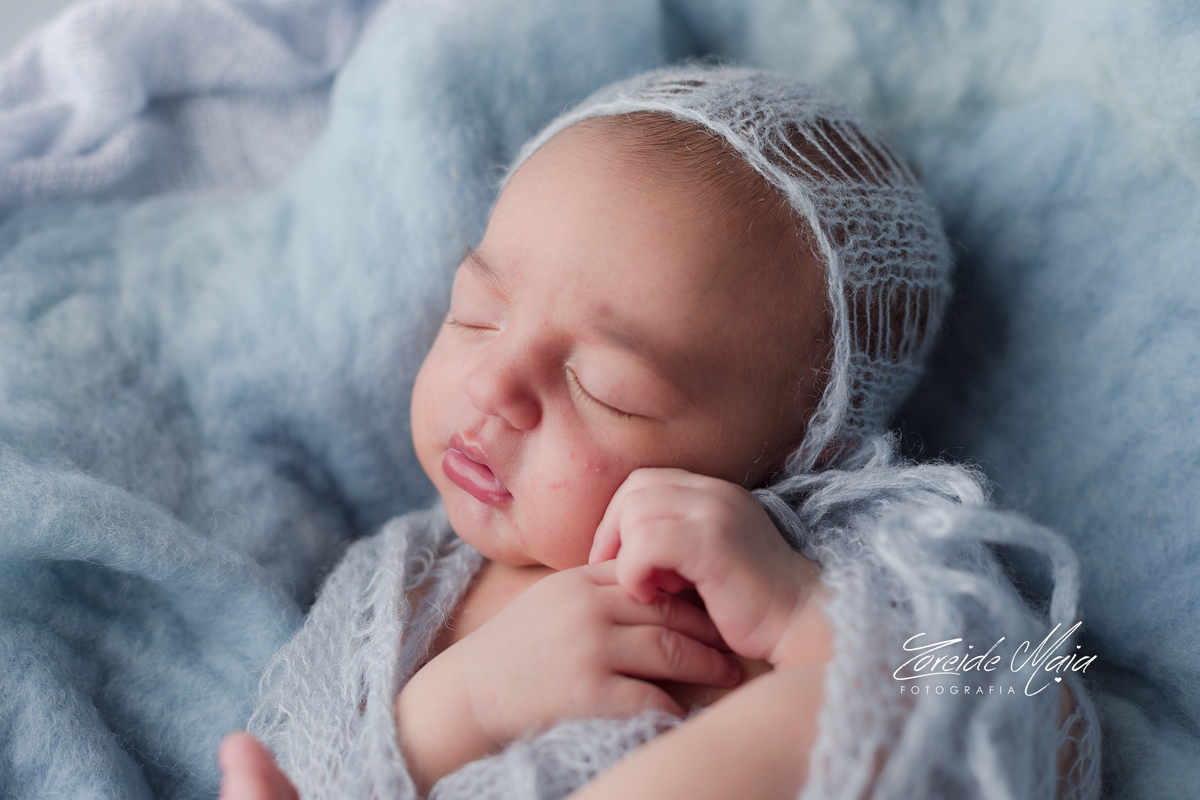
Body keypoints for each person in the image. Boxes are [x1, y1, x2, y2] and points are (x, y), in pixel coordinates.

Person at [216, 66, 1097, 800]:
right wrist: (458, 710)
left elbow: (1043, 708)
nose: (491, 386)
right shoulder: (405, 582)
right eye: (477, 315)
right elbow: (302, 759)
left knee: (895, 700)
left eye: (606, 389)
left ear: (800, 455)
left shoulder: (826, 556)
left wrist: (803, 613)